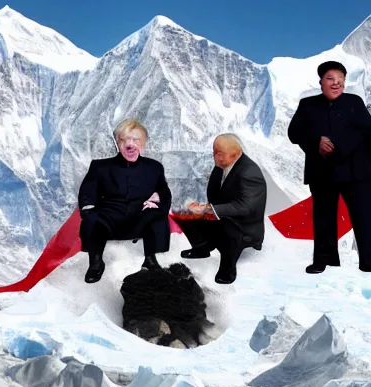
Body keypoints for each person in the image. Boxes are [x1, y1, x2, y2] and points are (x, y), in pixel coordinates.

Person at [288, 60, 371, 274]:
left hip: (355, 170)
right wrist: (317, 141)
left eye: (340, 80)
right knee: (323, 217)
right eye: (330, 79)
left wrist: (339, 146)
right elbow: (294, 134)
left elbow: (367, 131)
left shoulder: (354, 102)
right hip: (321, 170)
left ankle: (368, 260)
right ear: (321, 82)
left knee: (364, 215)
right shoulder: (307, 105)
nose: (336, 84)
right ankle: (324, 260)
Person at [78, 119, 172, 284]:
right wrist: (89, 210)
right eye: (124, 140)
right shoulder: (100, 167)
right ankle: (96, 262)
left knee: (156, 216)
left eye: (135, 140)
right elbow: (87, 191)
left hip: (140, 217)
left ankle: (150, 259)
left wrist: (157, 199)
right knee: (92, 220)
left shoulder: (154, 167)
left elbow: (164, 191)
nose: (130, 144)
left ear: (143, 143)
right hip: (110, 218)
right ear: (117, 143)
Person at [175, 134, 267, 284]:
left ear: (235, 154)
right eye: (215, 152)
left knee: (228, 229)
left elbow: (247, 207)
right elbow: (215, 196)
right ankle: (202, 247)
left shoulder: (250, 172)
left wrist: (210, 210)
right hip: (221, 216)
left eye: (219, 153)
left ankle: (228, 268)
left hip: (243, 226)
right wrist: (201, 209)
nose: (215, 157)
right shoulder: (222, 166)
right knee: (183, 213)